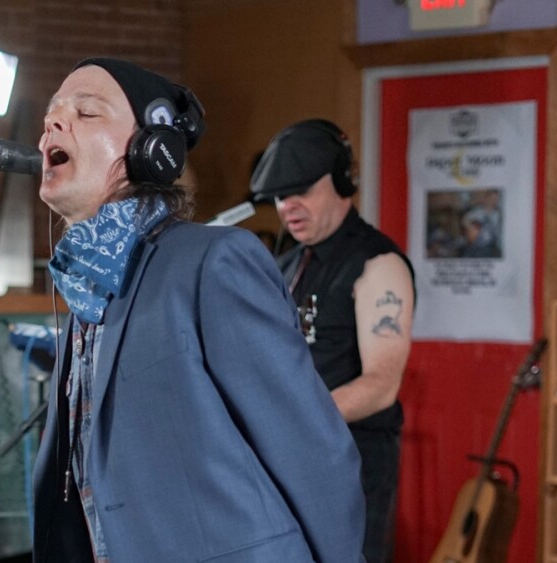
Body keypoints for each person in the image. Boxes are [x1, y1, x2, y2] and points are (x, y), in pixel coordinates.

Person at [32, 58, 366, 562]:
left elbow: (312, 451)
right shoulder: (87, 292)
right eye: (51, 117)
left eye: (87, 112)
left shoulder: (214, 261)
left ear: (154, 150)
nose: (54, 125)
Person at [249, 119, 416, 563]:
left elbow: (382, 384)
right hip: (285, 463)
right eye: (281, 197)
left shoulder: (378, 264)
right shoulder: (282, 267)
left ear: (343, 182)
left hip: (351, 466)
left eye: (302, 190)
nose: (289, 207)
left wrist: (289, 420)